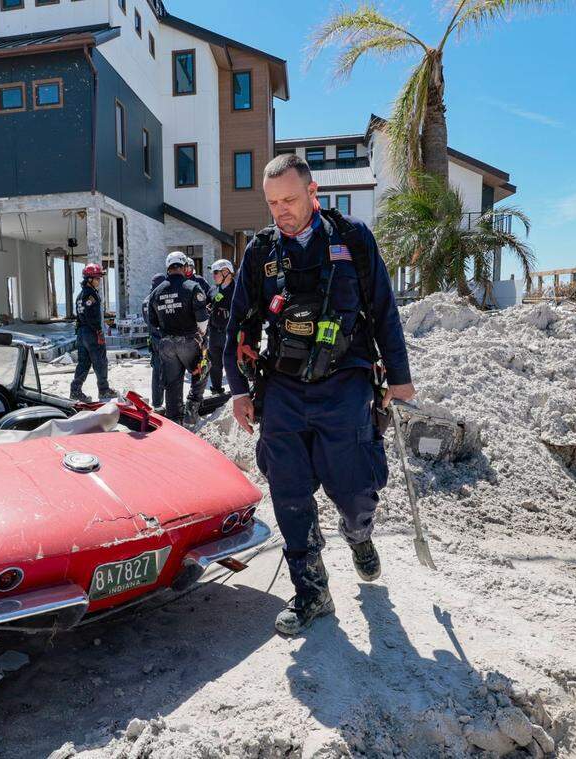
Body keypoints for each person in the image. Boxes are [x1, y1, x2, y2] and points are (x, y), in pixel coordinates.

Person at [223, 154, 415, 636]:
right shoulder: (262, 252)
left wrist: (399, 374)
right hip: (283, 387)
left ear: (313, 193)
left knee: (353, 490)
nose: (280, 211)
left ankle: (359, 536)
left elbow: (383, 309)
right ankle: (312, 590)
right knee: (288, 492)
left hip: (345, 382)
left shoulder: (352, 239)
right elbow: (238, 322)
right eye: (272, 203)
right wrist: (238, 389)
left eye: (289, 199)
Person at [145, 252, 209, 426]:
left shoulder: (156, 291)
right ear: (184, 267)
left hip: (166, 344)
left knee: (172, 384)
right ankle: (192, 407)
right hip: (189, 341)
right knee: (202, 369)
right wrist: (201, 336)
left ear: (168, 267)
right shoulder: (192, 286)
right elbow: (202, 320)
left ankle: (174, 421)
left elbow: (153, 322)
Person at [70, 263, 118, 402]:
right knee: (100, 362)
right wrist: (99, 331)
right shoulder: (91, 295)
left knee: (83, 363)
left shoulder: (80, 296)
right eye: (97, 278)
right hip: (91, 333)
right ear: (89, 279)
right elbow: (91, 317)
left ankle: (75, 390)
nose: (99, 281)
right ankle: (103, 390)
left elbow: (80, 316)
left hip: (81, 333)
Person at [206, 259, 236, 395]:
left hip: (230, 333)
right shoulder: (212, 290)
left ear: (226, 272)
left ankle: (238, 391)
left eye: (216, 272)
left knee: (232, 364)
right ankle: (216, 390)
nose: (214, 276)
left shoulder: (238, 290)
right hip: (214, 333)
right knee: (215, 364)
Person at [143, 271, 167, 410]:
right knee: (169, 371)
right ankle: (163, 404)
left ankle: (157, 403)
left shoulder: (146, 300)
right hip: (163, 339)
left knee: (157, 372)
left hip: (153, 339)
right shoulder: (158, 298)